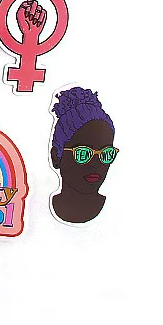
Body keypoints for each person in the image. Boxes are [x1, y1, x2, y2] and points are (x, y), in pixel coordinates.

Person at [50, 87, 117, 224]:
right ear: (56, 157)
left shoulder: (120, 214)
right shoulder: (38, 209)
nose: (96, 163)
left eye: (106, 154)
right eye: (83, 153)